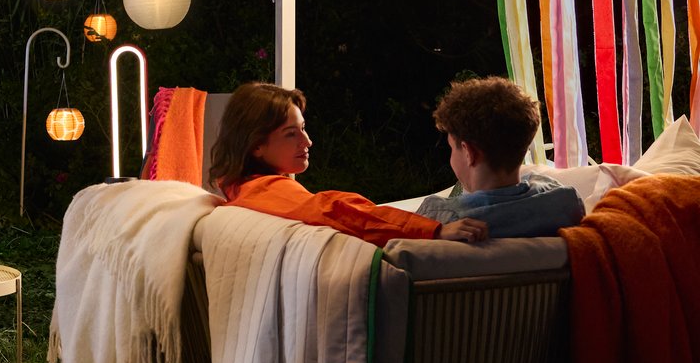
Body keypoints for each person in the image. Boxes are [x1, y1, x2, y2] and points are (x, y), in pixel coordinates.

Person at [210, 82, 487, 247]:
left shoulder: (241, 189)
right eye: (290, 134)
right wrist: (435, 231)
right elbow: (332, 211)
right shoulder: (266, 190)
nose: (307, 142)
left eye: (303, 128)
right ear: (256, 145)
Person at [416, 77, 583, 237]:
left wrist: (433, 231)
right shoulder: (565, 204)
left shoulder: (437, 219)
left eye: (452, 148)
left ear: (469, 153)